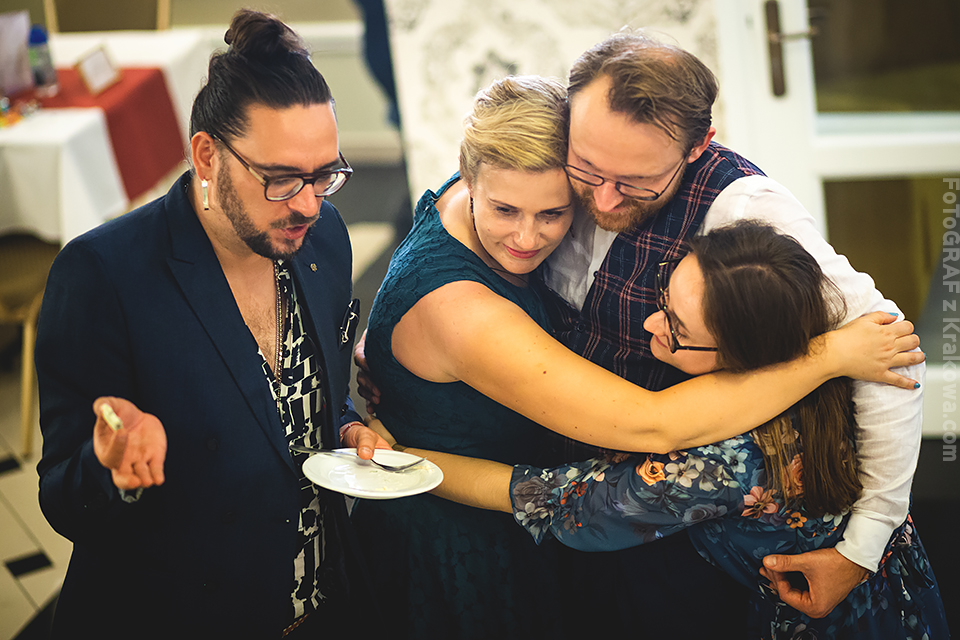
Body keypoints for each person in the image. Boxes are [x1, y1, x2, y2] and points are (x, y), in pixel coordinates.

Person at [357, 32, 926, 633]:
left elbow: (887, 351)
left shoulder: (743, 209)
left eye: (633, 181)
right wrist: (399, 360)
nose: (602, 199)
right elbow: (438, 286)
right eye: (586, 170)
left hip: (667, 529)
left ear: (697, 147)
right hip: (577, 525)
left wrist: (864, 545)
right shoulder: (523, 171)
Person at [379, 221, 948, 639]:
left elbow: (548, 497)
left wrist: (401, 452)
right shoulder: (825, 343)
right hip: (904, 588)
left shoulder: (719, 465)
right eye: (664, 296)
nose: (651, 322)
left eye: (676, 328)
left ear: (744, 357)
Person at [35, 10, 388, 638]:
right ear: (207, 155)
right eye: (281, 179)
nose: (309, 204)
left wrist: (345, 424)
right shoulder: (105, 275)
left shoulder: (323, 238)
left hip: (320, 598)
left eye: (324, 175)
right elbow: (63, 499)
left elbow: (300, 400)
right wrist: (110, 466)